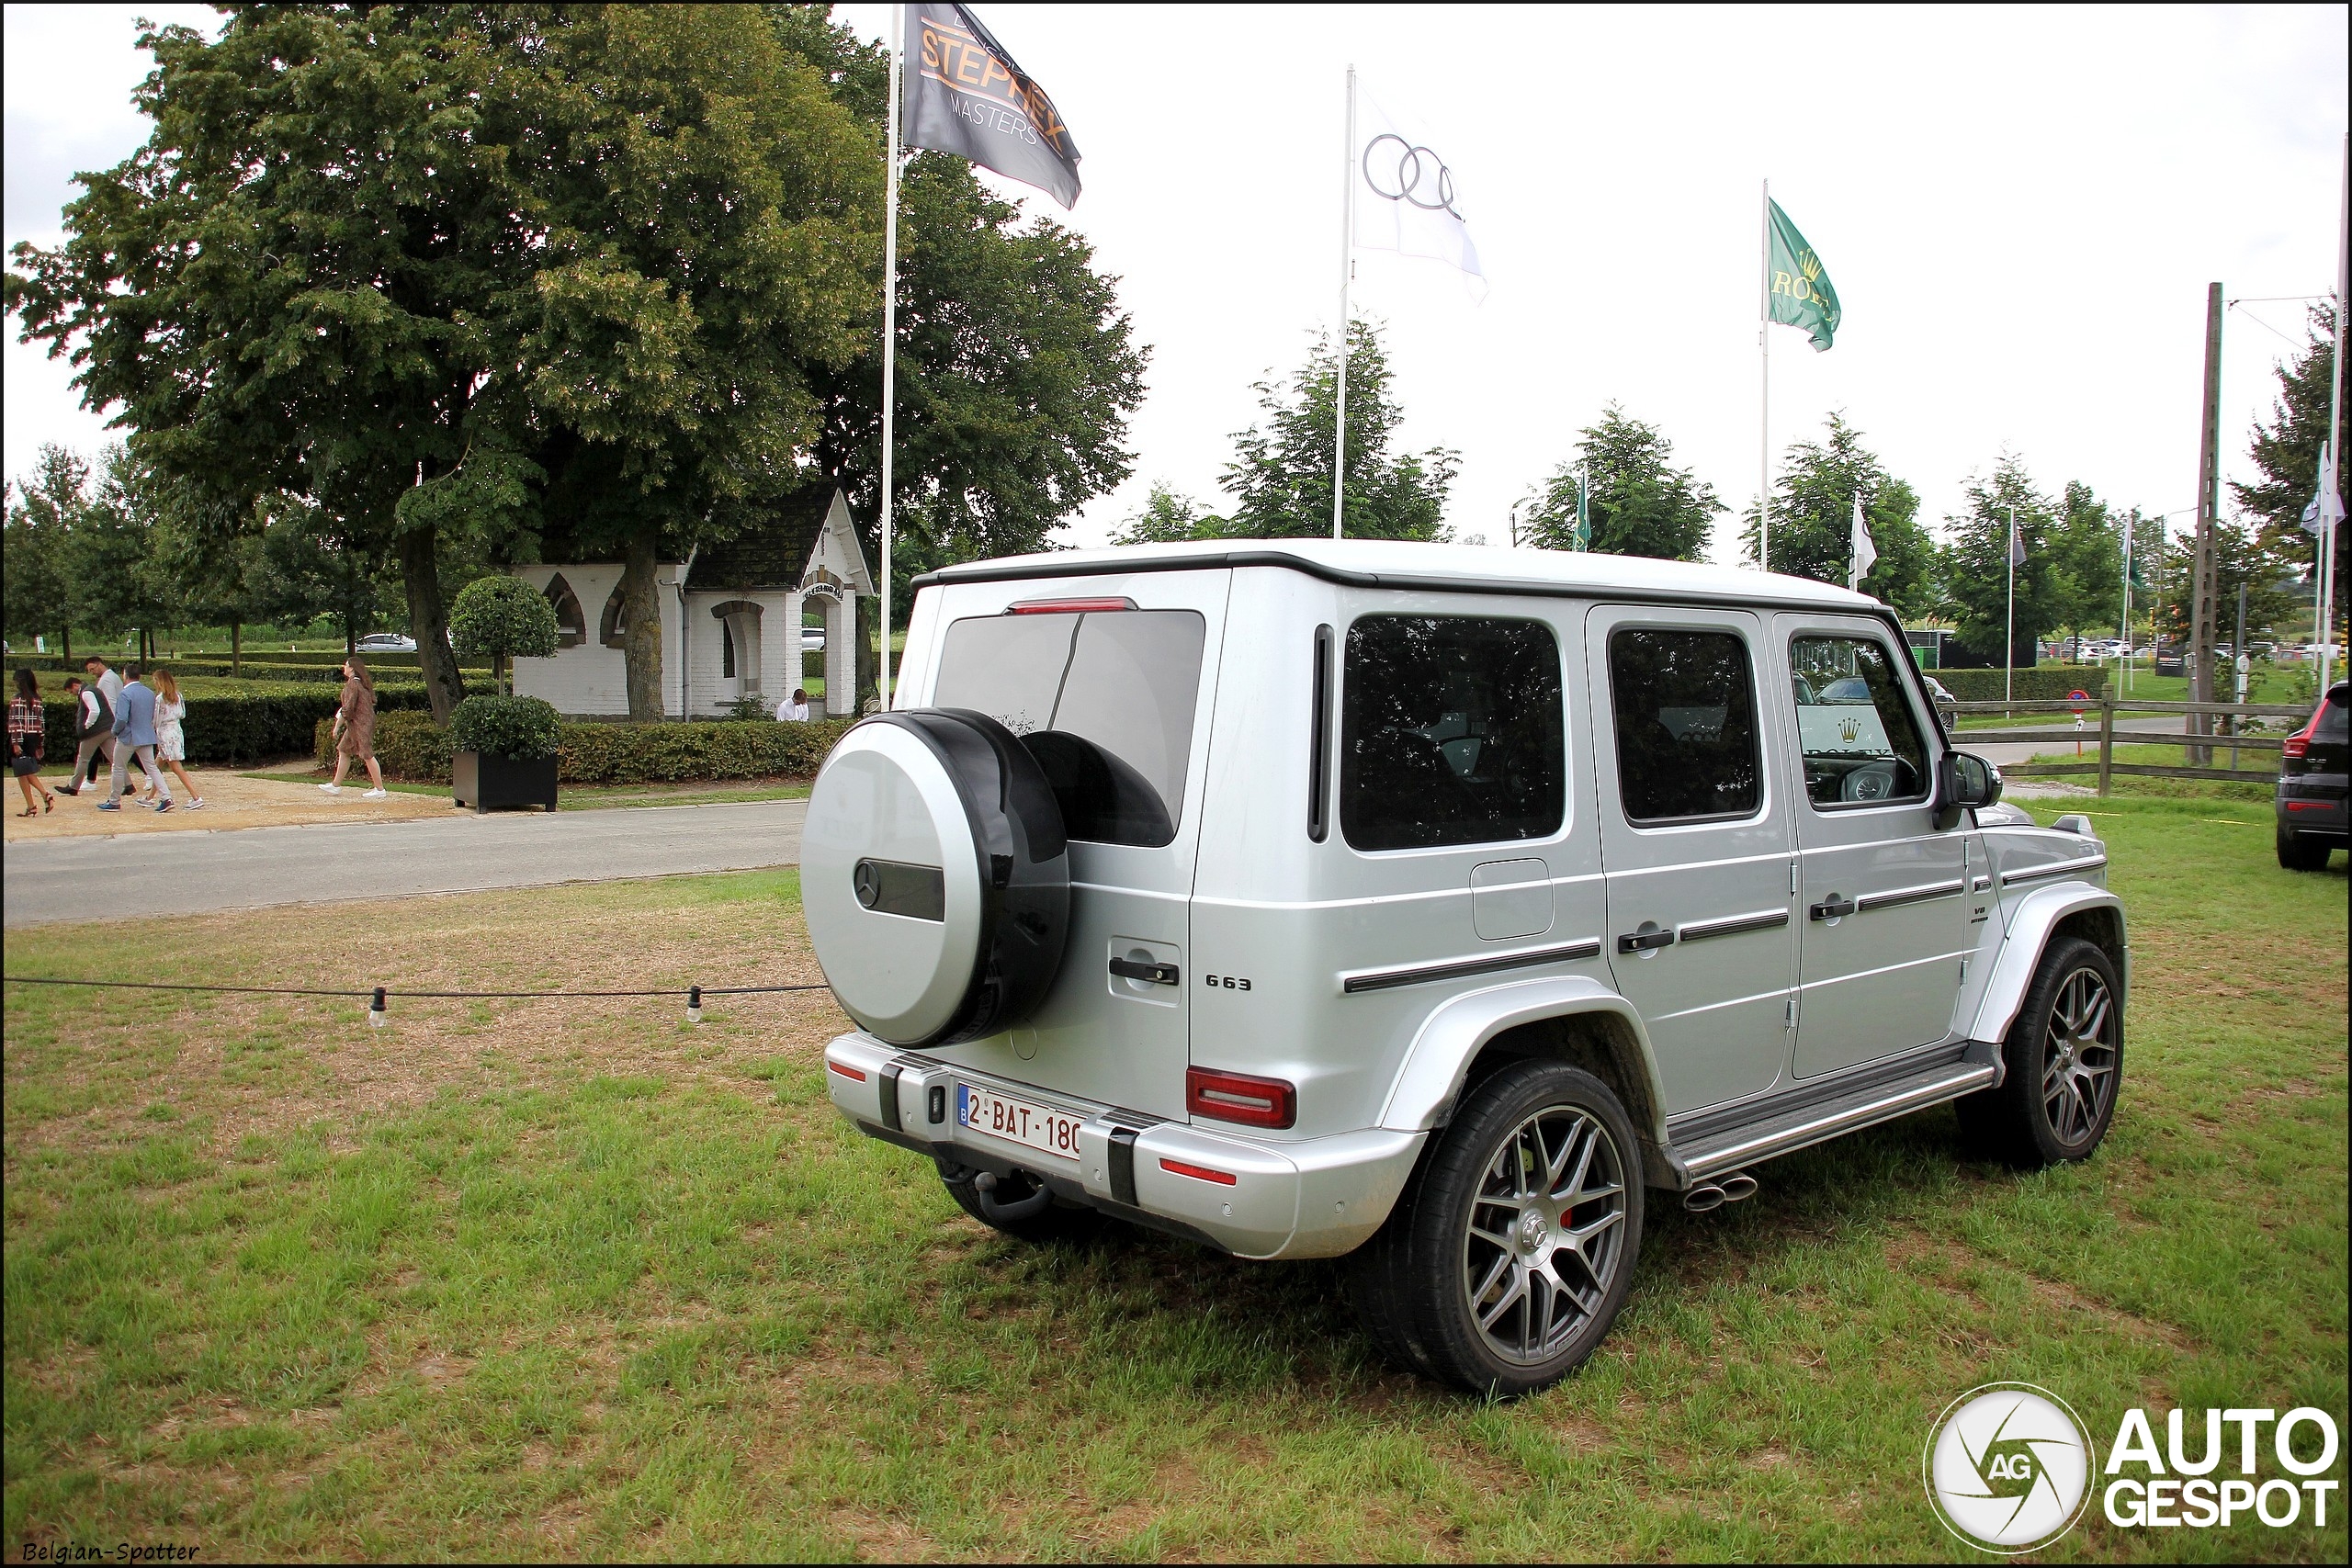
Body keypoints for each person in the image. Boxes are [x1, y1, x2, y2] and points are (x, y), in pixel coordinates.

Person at [102, 664, 172, 812]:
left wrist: (115, 732)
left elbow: (121, 718)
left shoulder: (125, 694)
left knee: (118, 767)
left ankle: (114, 801)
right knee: (152, 768)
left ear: (125, 676)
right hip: (146, 735)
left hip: (128, 736)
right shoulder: (148, 692)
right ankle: (166, 797)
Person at [322, 656, 388, 797]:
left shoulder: (353, 684)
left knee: (367, 754)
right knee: (344, 750)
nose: (343, 668)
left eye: (346, 665)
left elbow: (348, 708)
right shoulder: (360, 684)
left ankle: (380, 789)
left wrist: (337, 726)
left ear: (352, 668)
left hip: (360, 724)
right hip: (358, 723)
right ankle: (336, 785)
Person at [144, 667, 204, 809]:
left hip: (165, 732)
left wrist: (150, 728)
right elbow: (182, 713)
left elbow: (157, 720)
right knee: (157, 764)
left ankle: (196, 797)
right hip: (176, 730)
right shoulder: (178, 695)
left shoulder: (160, 699)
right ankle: (150, 797)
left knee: (175, 767)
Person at [9, 668, 57, 817]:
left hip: (21, 736)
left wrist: (16, 743)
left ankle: (45, 794)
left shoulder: (17, 699)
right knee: (22, 771)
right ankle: (31, 805)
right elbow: (41, 723)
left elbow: (15, 722)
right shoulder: (37, 699)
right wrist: (39, 743)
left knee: (23, 770)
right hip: (33, 737)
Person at [59, 673, 114, 796]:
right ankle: (128, 784)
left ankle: (73, 786)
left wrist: (87, 725)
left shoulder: (86, 692)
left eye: (71, 691)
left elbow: (95, 711)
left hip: (94, 732)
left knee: (83, 759)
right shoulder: (93, 689)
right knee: (115, 759)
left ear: (74, 685)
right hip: (107, 728)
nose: (72, 694)